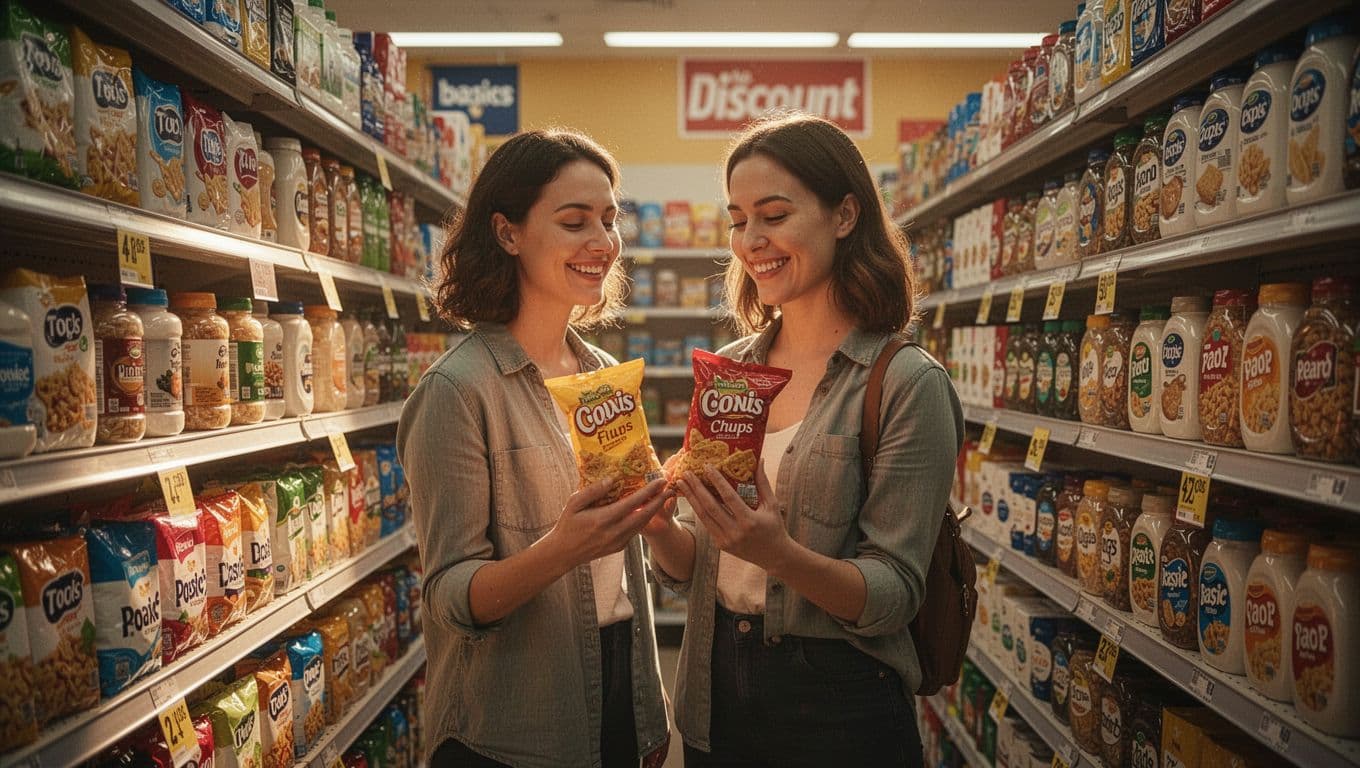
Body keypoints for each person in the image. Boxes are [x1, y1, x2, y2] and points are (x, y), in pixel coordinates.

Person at [643, 112, 963, 767]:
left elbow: (895, 595)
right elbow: (699, 571)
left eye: (774, 214)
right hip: (713, 698)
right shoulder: (730, 373)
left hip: (839, 708)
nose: (750, 240)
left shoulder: (904, 383)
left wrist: (780, 554)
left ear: (845, 216)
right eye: (737, 220)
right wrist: (654, 527)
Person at [398, 129, 672, 768]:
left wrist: (646, 709)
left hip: (620, 689)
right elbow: (451, 596)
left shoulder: (602, 374)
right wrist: (560, 550)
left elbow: (622, 576)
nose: (601, 243)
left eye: (609, 220)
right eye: (574, 222)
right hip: (510, 728)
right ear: (508, 233)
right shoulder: (457, 391)